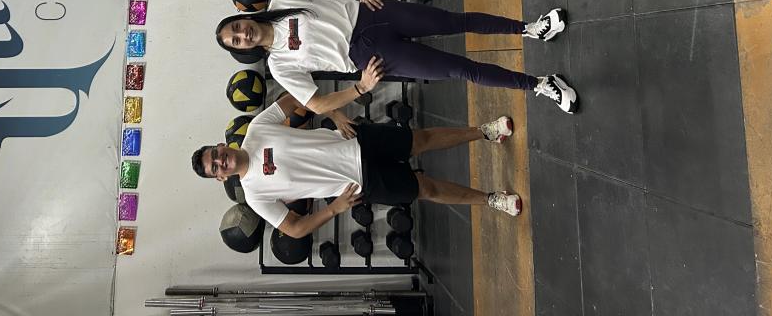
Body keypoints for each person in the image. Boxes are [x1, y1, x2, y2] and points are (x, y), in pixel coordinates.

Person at [215, 0, 578, 115]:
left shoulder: (281, 2)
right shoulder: (279, 65)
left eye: (237, 28)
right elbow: (317, 105)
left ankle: (532, 28)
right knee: (459, 69)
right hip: (370, 57)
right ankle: (539, 84)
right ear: (243, 50)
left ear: (243, 18)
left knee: (456, 21)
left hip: (372, 14)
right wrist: (360, 88)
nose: (242, 34)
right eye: (237, 41)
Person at [191, 93, 524, 239]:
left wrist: (334, 112)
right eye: (215, 168)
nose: (220, 161)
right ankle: (491, 199)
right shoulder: (254, 195)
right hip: (358, 183)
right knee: (427, 189)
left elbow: (295, 97)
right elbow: (294, 229)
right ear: (220, 177)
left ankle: (484, 131)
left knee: (420, 139)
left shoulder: (257, 129)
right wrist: (333, 209)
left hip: (355, 139)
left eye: (215, 155)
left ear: (220, 146)